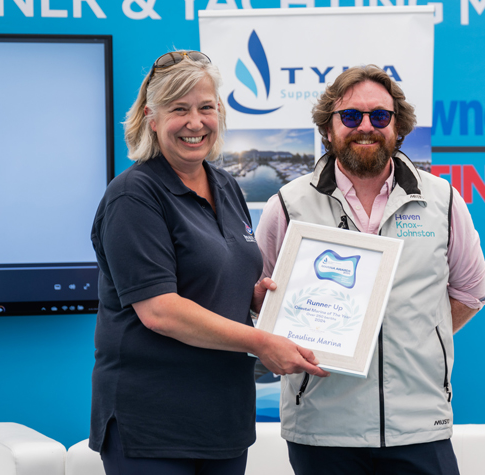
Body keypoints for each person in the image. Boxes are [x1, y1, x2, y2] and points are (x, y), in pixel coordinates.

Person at [89, 50, 327, 475]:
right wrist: (261, 342)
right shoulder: (134, 197)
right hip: (153, 426)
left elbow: (220, 276)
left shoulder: (226, 185)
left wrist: (257, 297)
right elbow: (161, 311)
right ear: (152, 117)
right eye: (179, 109)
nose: (195, 122)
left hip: (224, 420)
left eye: (206, 107)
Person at [254, 65, 485, 475]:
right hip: (322, 431)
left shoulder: (442, 200)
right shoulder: (288, 204)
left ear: (398, 128)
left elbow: (470, 293)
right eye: (351, 116)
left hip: (418, 428)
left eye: (380, 116)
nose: (366, 126)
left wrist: (407, 338)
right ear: (328, 129)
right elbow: (259, 300)